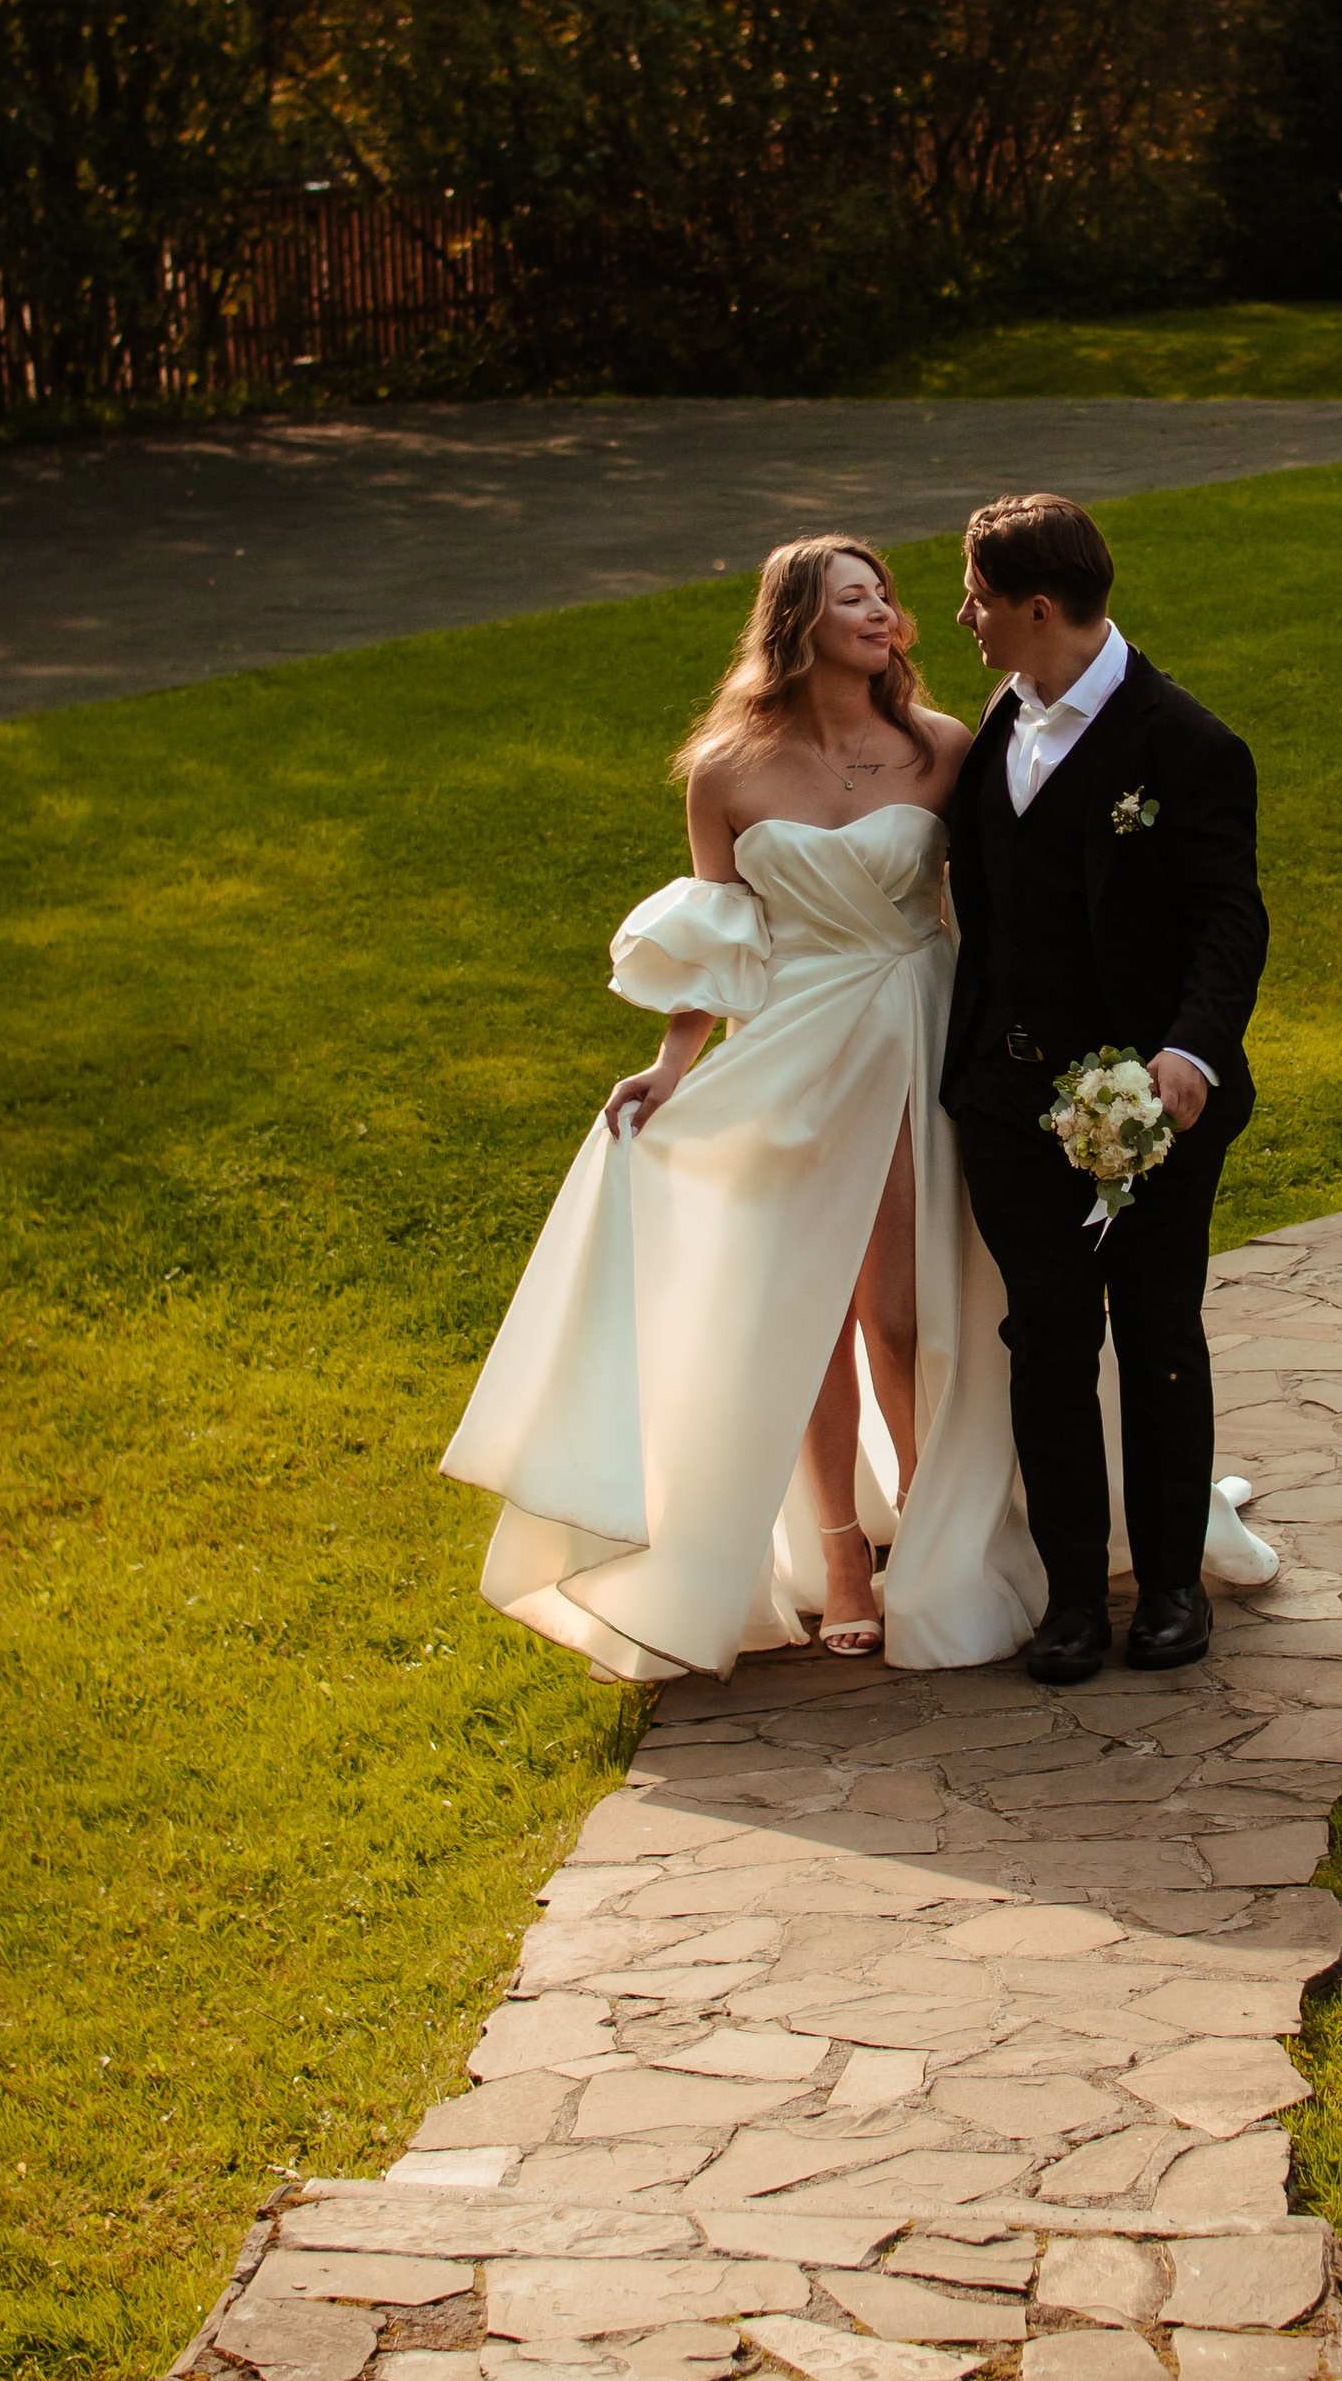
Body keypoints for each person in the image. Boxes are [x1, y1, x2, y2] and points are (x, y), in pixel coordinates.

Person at [442, 537, 1046, 1678]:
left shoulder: (942, 747)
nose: (882, 612)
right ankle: (841, 1554)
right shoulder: (725, 770)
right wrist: (671, 1066)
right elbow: (721, 935)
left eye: (884, 595)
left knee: (901, 1311)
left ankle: (936, 1524)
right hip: (793, 1047)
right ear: (799, 622)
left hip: (915, 1028)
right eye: (853, 598)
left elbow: (996, 905)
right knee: (802, 1309)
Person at [944, 492, 1269, 1683]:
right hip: (1004, 1103)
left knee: (1157, 1331)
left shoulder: (1186, 744)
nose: (963, 617)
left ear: (1037, 608)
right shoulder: (997, 721)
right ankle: (1075, 1596)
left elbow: (1228, 918)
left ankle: (1172, 1587)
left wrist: (1188, 1053)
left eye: (977, 596)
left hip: (1151, 1109)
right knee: (1046, 1340)